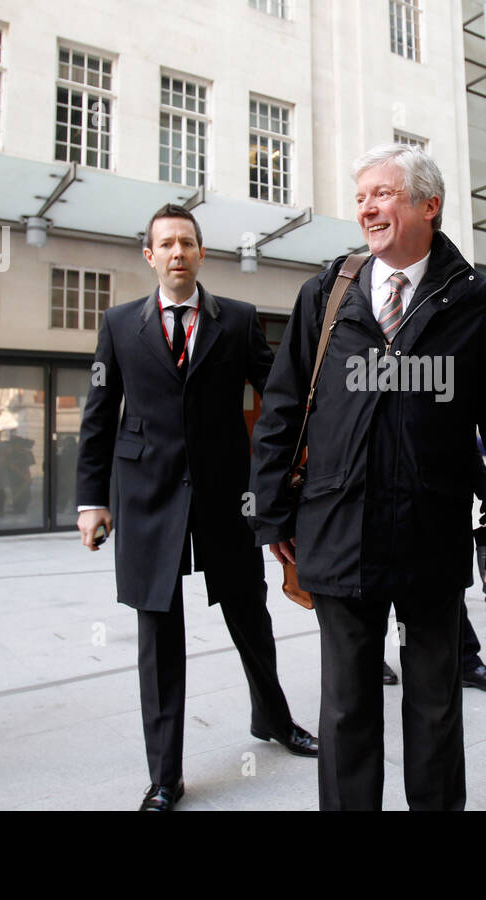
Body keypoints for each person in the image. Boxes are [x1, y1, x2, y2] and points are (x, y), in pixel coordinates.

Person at [249, 143, 486, 810]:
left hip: (429, 536)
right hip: (336, 528)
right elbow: (283, 407)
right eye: (360, 198)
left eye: (381, 194)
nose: (367, 209)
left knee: (435, 706)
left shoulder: (477, 303)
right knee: (347, 708)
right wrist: (271, 515)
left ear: (428, 205)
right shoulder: (327, 293)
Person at [76, 204, 316, 813]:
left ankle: (276, 719)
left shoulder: (235, 321)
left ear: (202, 253)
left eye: (187, 242)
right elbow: (99, 417)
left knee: (249, 615)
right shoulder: (119, 324)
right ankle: (165, 776)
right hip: (147, 497)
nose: (177, 252)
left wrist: (292, 466)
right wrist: (89, 501)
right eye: (166, 244)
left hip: (225, 496)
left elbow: (281, 393)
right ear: (149, 256)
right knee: (157, 635)